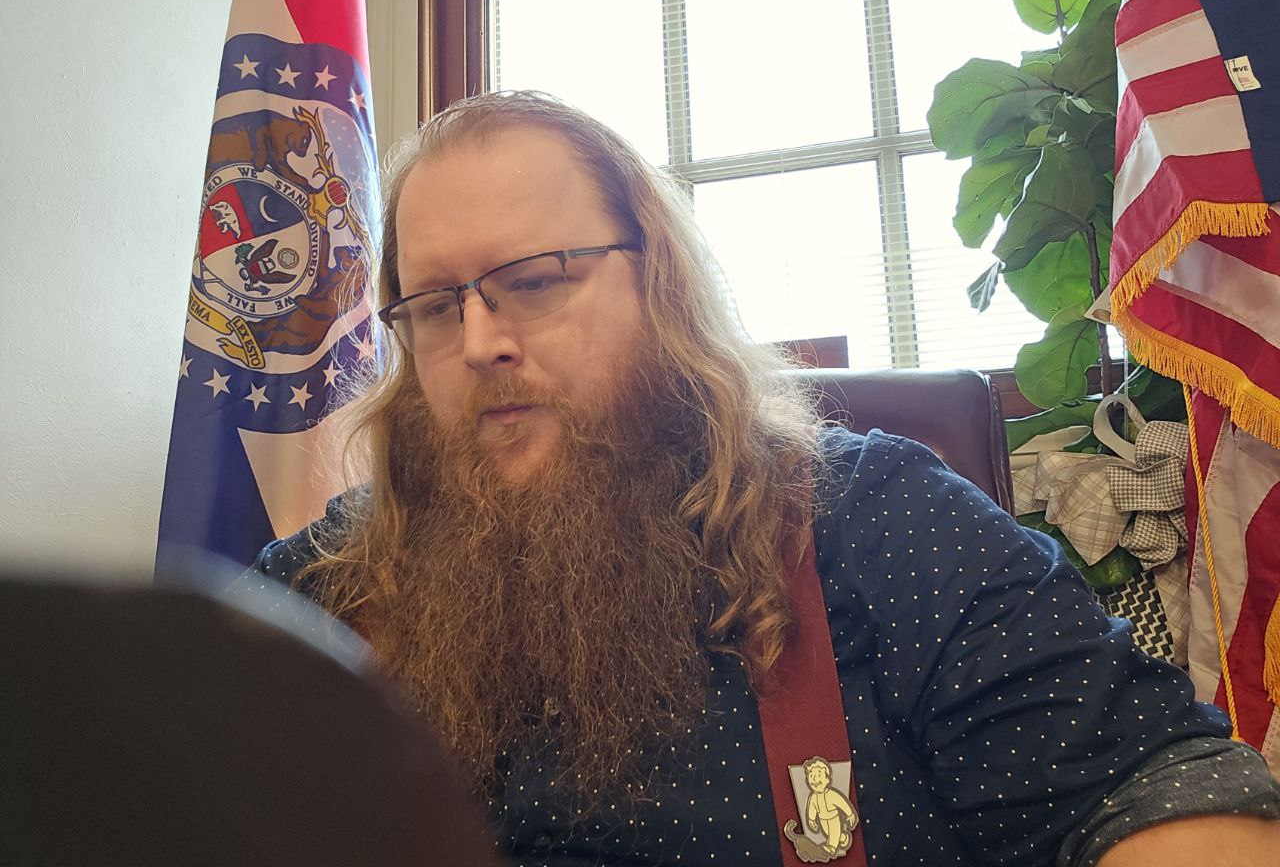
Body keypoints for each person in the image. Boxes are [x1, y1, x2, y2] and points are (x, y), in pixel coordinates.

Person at [254, 90, 1280, 866]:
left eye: (533, 282)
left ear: (656, 283)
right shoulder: (329, 584)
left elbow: (1156, 788)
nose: (479, 341)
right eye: (435, 305)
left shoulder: (874, 520)